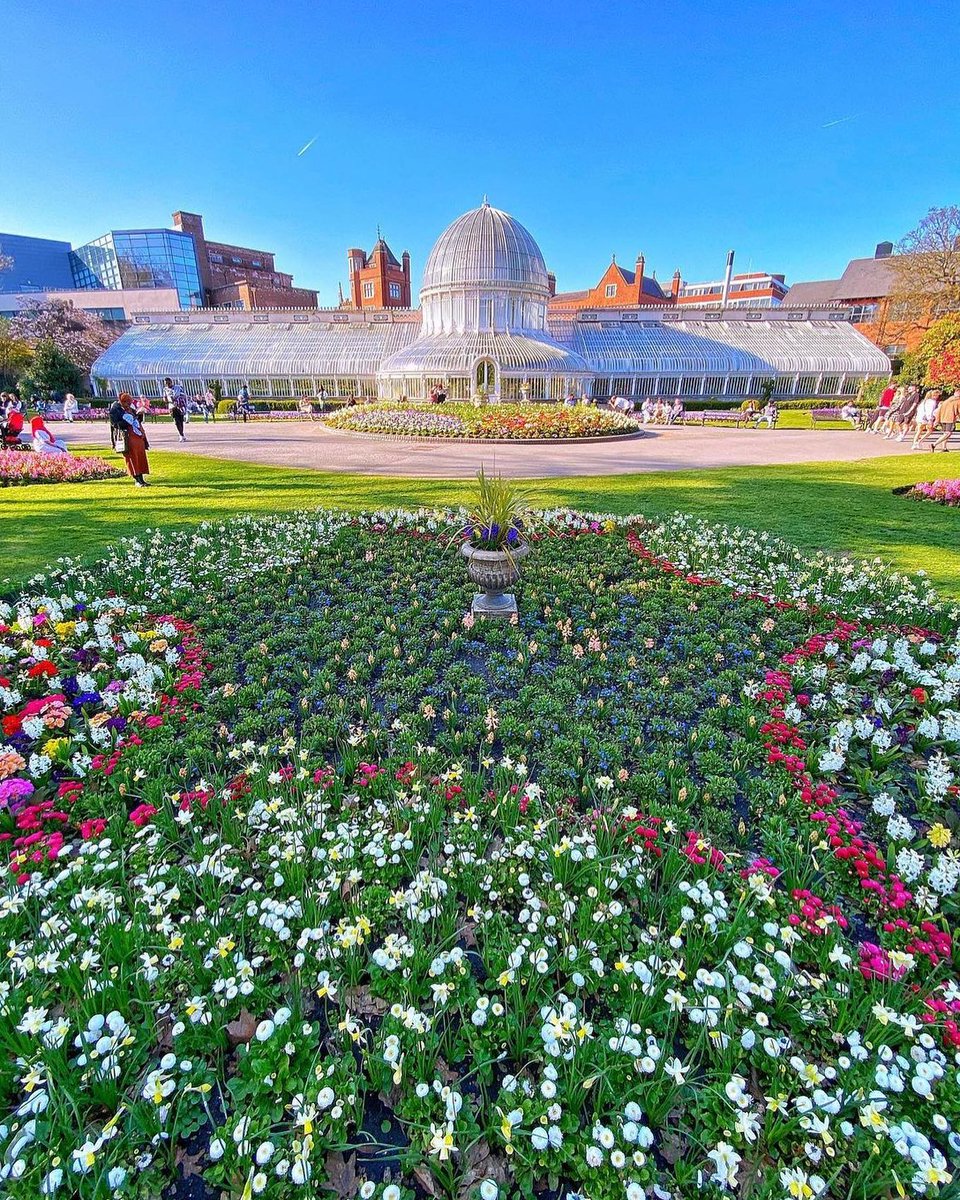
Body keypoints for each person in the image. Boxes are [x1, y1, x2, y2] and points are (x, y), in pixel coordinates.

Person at [112, 393, 151, 485]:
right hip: (127, 437)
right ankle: (137, 479)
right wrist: (127, 421)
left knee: (140, 457)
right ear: (122, 401)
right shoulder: (115, 410)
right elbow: (115, 424)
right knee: (132, 458)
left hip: (138, 437)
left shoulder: (130, 409)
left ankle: (141, 479)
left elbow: (137, 420)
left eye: (130, 402)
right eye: (127, 403)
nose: (129, 405)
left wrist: (139, 414)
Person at [162, 377, 188, 442]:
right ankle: (181, 435)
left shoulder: (178, 387)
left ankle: (182, 434)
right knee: (176, 421)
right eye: (166, 384)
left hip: (180, 406)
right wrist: (167, 400)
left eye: (168, 383)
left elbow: (184, 396)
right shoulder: (165, 389)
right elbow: (164, 398)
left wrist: (178, 400)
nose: (167, 385)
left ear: (171, 382)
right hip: (172, 407)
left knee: (181, 421)